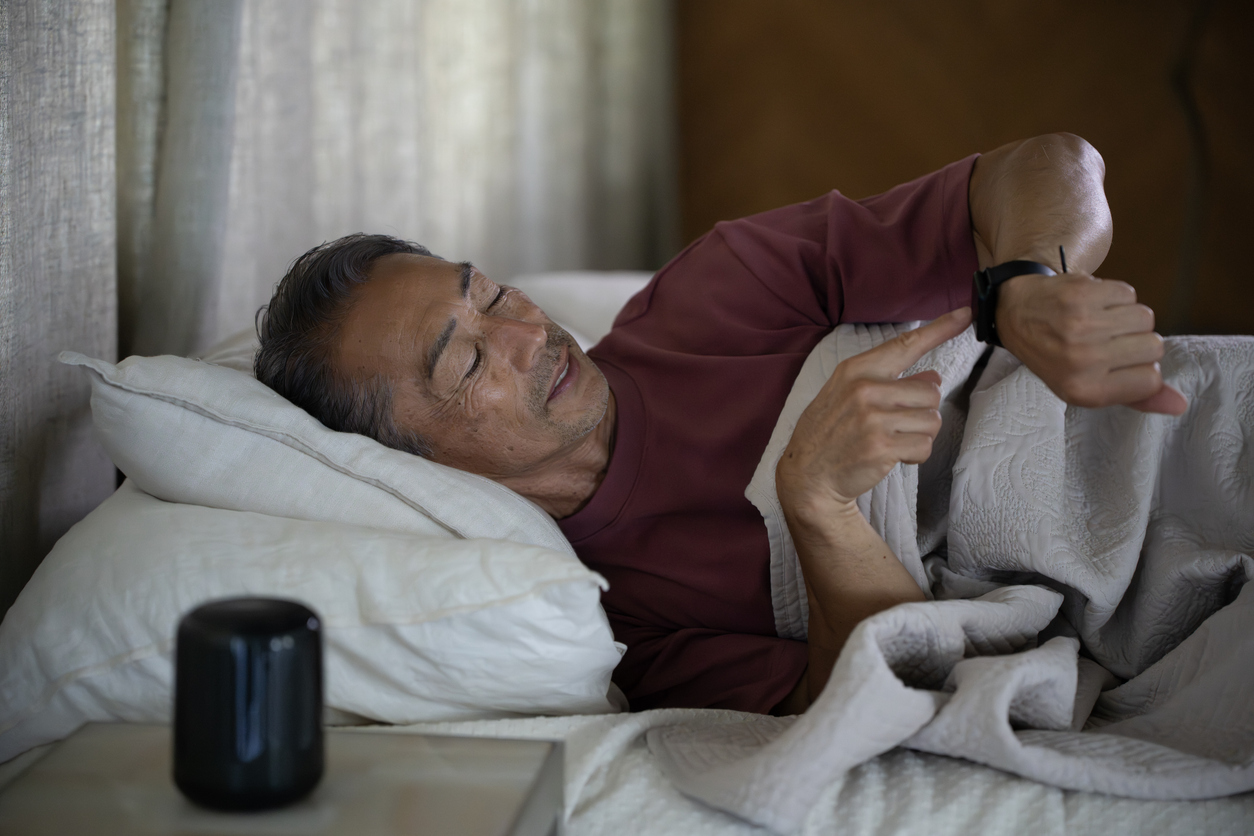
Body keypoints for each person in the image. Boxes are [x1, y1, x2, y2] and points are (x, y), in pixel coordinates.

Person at [254, 133, 1186, 716]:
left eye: (491, 292)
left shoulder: (714, 295)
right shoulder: (612, 620)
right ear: (413, 465)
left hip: (1168, 426)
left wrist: (1025, 288)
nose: (526, 333)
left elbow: (1051, 163)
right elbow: (875, 694)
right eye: (464, 360)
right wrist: (817, 505)